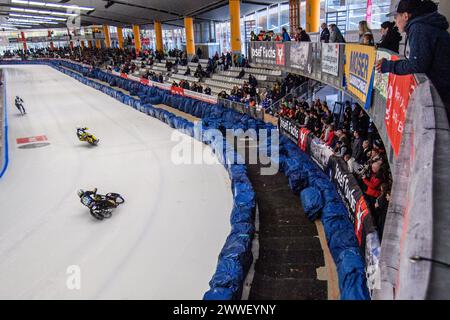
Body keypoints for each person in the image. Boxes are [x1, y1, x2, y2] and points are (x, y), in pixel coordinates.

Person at [376, 0, 450, 116]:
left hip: (443, 95)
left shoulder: (419, 28)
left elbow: (417, 64)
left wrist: (388, 66)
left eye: (396, 17)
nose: (395, 23)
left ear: (405, 16)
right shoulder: (421, 26)